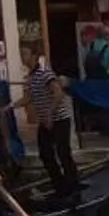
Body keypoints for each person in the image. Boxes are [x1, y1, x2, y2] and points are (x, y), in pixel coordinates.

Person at [18, 40, 78, 201]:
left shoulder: (45, 73)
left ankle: (73, 188)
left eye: (25, 54)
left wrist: (49, 114)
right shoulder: (31, 77)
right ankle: (60, 186)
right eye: (21, 54)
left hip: (59, 120)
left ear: (34, 56)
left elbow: (58, 93)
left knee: (63, 153)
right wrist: (10, 107)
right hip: (46, 122)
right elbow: (28, 98)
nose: (23, 57)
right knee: (45, 154)